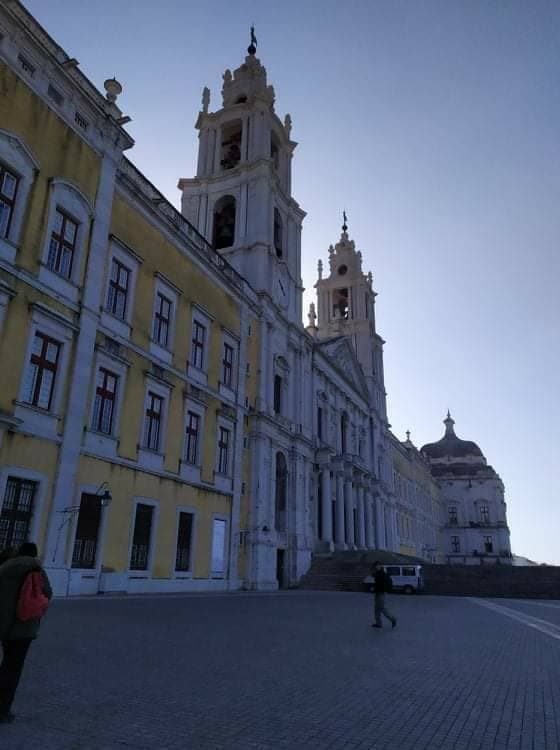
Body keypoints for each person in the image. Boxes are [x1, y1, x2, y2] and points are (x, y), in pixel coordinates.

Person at [0, 542, 52, 723]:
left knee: (6, 663)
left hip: (4, 625)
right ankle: (3, 710)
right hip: (24, 628)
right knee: (13, 669)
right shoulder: (36, 569)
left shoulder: (4, 568)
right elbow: (48, 593)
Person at [371, 561, 397, 629]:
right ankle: (378, 623)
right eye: (375, 566)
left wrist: (384, 590)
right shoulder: (378, 573)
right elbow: (377, 582)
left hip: (381, 593)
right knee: (376, 609)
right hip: (377, 593)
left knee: (382, 608)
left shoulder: (382, 573)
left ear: (379, 566)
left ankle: (393, 619)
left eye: (377, 566)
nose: (376, 567)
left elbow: (383, 584)